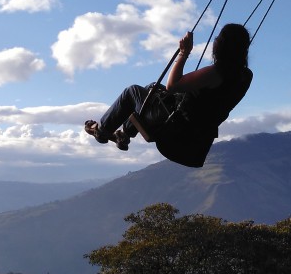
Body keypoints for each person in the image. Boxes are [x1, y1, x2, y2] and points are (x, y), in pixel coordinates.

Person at [84, 22, 253, 168]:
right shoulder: (245, 76)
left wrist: (184, 52)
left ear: (220, 46)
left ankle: (102, 131)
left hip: (173, 132)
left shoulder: (215, 73)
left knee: (132, 92)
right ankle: (125, 134)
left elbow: (173, 85)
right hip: (196, 142)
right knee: (152, 88)